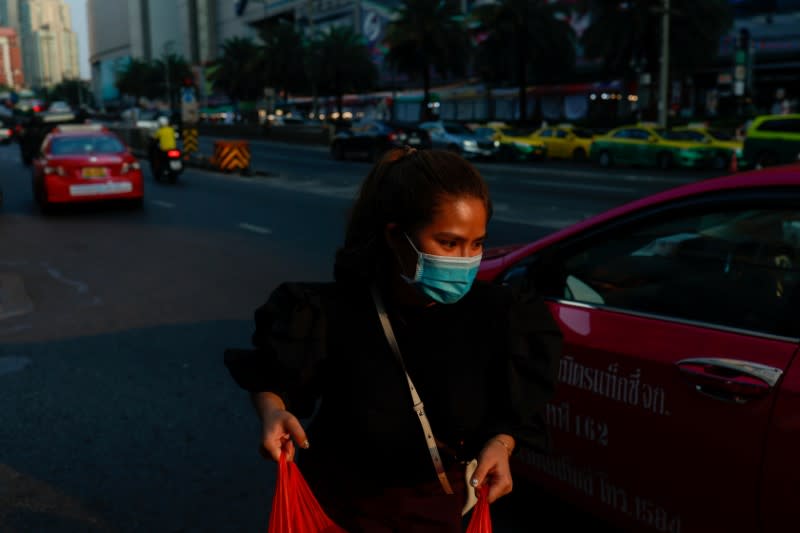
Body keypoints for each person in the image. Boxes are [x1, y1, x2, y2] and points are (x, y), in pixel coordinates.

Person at [224, 147, 562, 532]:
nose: (466, 259)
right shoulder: (327, 312)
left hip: (438, 514)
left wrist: (501, 446)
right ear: (396, 236)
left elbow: (512, 411)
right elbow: (272, 379)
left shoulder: (501, 315)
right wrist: (272, 412)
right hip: (340, 512)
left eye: (477, 244)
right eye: (448, 243)